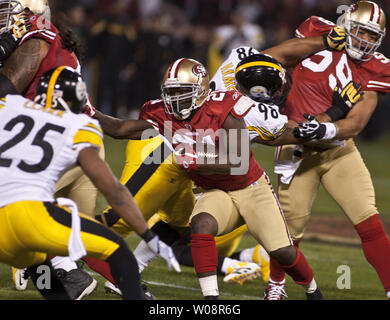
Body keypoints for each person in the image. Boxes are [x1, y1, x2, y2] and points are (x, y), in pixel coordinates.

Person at [82, 30, 349, 295]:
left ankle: (312, 290)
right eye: (171, 92)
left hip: (249, 185)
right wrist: (87, 109)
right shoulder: (164, 112)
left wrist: (330, 119)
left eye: (182, 92)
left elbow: (245, 158)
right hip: (211, 188)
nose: (174, 100)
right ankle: (211, 299)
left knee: (283, 251)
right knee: (196, 226)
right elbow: (119, 128)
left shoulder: (228, 107)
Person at [0, 66, 180, 300]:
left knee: (40, 260)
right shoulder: (79, 126)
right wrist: (148, 235)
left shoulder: (8, 106)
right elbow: (113, 191)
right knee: (118, 251)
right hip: (29, 218)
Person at [264, 1, 390, 300]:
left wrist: (328, 128)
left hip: (338, 150)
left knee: (368, 219)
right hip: (296, 149)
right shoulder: (317, 29)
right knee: (288, 230)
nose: (365, 40)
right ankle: (276, 286)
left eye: (373, 36)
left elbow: (357, 121)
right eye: (361, 31)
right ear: (346, 24)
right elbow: (281, 55)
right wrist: (322, 41)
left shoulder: (377, 66)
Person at [0, 0, 102, 297]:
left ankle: (65, 269)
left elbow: (4, 91)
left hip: (51, 143)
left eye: (6, 9)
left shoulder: (37, 40)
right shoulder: (43, 37)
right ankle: (65, 271)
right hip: (47, 139)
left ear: (26, 12)